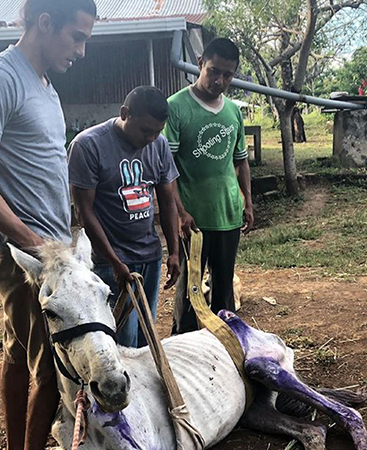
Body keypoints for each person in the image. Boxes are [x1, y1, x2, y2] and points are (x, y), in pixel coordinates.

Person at [0, 1, 96, 449]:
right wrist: (34, 243)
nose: (82, 51)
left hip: (50, 248)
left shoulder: (45, 87)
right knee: (53, 371)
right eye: (77, 37)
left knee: (19, 356)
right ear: (45, 23)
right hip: (25, 254)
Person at [69, 85, 181, 348]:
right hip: (111, 263)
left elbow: (167, 201)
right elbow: (84, 213)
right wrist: (115, 261)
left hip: (149, 258)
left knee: (146, 339)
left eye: (157, 132)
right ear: (124, 113)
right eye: (146, 130)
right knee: (122, 342)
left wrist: (174, 250)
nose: (151, 138)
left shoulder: (159, 145)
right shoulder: (88, 146)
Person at [164, 38, 254, 334]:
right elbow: (167, 169)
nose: (220, 80)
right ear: (200, 62)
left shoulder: (233, 112)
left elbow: (240, 163)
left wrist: (248, 203)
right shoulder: (176, 108)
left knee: (223, 286)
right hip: (194, 219)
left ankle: (223, 344)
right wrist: (179, 212)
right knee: (190, 289)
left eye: (227, 75)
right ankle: (183, 344)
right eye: (214, 71)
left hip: (228, 214)